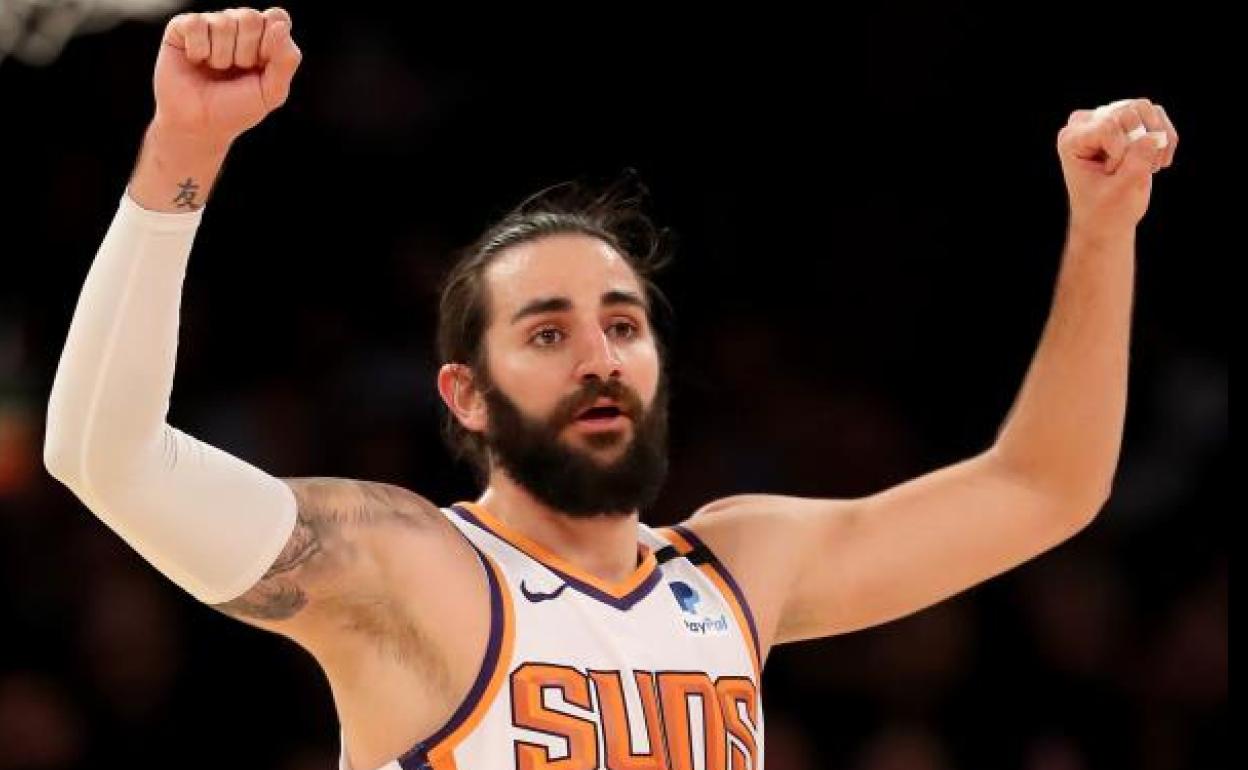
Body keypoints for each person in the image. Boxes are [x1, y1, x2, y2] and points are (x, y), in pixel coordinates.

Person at [41, 7, 1179, 770]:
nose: (600, 354)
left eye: (622, 323)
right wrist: (183, 148)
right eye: (547, 330)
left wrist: (1104, 227)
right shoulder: (412, 567)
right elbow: (105, 456)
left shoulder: (740, 565)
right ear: (467, 394)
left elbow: (1046, 486)